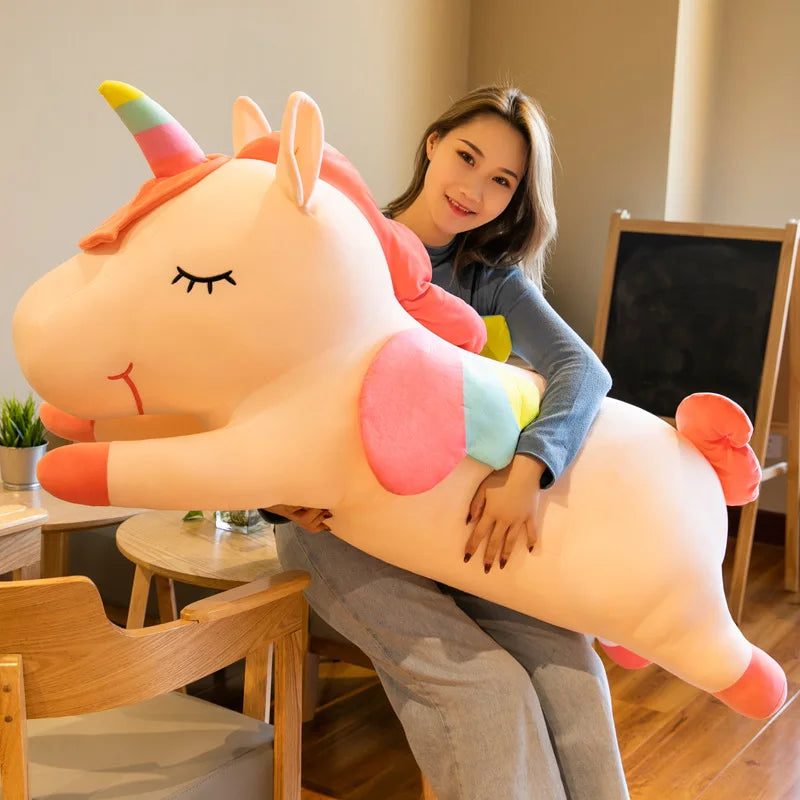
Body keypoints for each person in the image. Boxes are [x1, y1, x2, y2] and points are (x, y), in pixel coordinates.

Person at [264, 86, 629, 800]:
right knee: (488, 693)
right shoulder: (339, 240)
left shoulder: (484, 280)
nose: (475, 189)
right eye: (467, 156)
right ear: (433, 143)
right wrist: (274, 496)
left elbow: (583, 370)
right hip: (341, 530)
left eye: (503, 181)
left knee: (572, 672)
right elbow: (264, 371)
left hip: (451, 525)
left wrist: (530, 469)